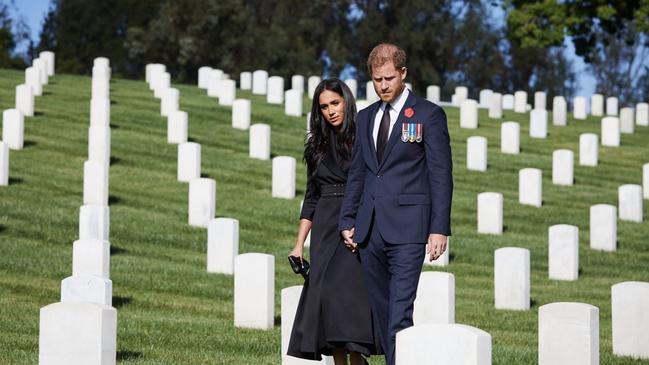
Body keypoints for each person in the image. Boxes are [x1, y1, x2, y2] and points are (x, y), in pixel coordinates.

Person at [339, 43, 453, 365]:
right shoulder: (365, 118)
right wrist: (347, 220)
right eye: (377, 80)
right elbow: (359, 173)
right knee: (383, 312)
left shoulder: (428, 115)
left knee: (400, 314)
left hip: (409, 231)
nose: (383, 85)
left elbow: (440, 174)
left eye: (389, 78)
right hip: (369, 231)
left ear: (403, 73)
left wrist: (438, 228)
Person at [288, 78, 382, 365]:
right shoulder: (315, 145)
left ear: (347, 102)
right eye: (324, 106)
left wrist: (359, 224)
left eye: (335, 103)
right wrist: (298, 245)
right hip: (325, 227)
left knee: (348, 303)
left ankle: (359, 361)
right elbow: (312, 197)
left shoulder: (365, 136)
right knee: (327, 302)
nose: (330, 111)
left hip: (354, 221)